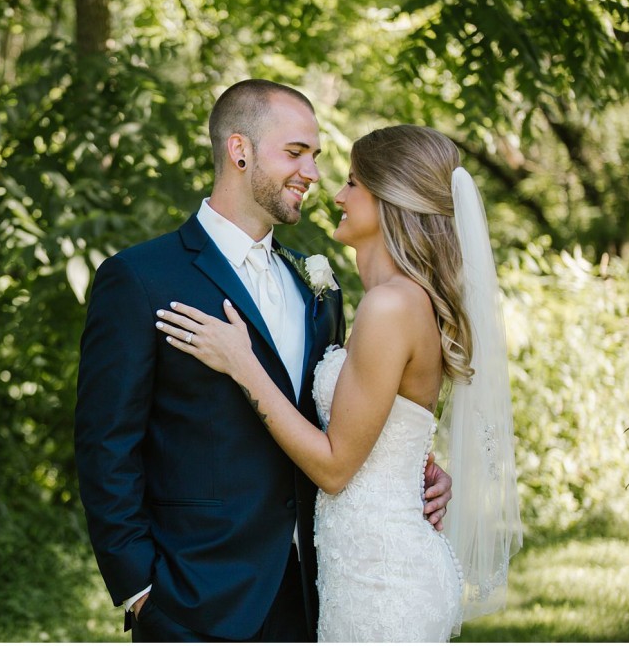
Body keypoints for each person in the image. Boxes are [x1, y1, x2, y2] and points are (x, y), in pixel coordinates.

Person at [74, 81, 454, 642]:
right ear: (240, 151)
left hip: (319, 591)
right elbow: (106, 444)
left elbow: (342, 420)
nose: (313, 174)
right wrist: (139, 589)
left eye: (319, 159)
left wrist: (414, 469)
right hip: (194, 599)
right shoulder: (140, 278)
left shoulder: (319, 289)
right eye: (296, 153)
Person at [155, 124, 523, 641]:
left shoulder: (391, 305)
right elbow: (385, 427)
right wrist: (421, 465)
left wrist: (242, 363)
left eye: (353, 183)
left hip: (383, 582)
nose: (336, 194)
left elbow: (333, 468)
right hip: (361, 567)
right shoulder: (394, 301)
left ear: (391, 199)